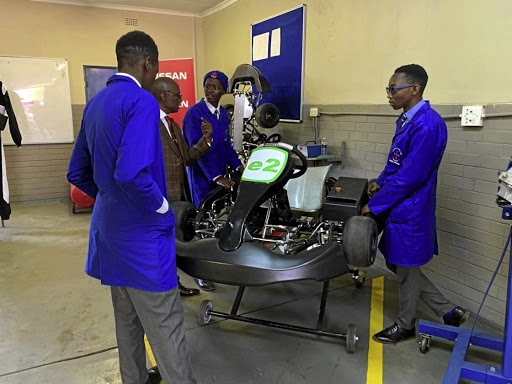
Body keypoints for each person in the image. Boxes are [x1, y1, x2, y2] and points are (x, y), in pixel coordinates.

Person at [67, 31, 196, 384]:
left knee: (127, 327)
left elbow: (76, 171)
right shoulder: (140, 102)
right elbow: (131, 172)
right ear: (147, 63)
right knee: (166, 329)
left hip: (109, 238)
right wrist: (160, 207)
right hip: (142, 242)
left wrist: (111, 195)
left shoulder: (96, 102)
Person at [362, 64, 469, 344]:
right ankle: (448, 312)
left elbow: (411, 177)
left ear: (414, 89)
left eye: (392, 89)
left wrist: (374, 206)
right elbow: (397, 162)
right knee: (398, 263)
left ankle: (405, 325)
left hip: (410, 209)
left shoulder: (428, 124)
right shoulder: (408, 119)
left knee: (406, 268)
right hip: (399, 205)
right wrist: (381, 180)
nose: (388, 94)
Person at [182, 70, 244, 291]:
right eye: (207, 85)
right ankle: (200, 272)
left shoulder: (222, 115)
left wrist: (239, 166)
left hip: (220, 176)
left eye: (215, 87)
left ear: (223, 91)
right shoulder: (194, 114)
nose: (210, 90)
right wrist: (216, 177)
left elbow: (226, 146)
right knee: (201, 222)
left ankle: (215, 258)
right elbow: (194, 151)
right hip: (201, 177)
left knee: (217, 219)